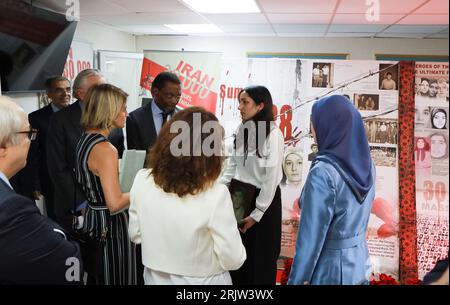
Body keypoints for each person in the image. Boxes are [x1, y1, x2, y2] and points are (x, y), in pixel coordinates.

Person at [128, 107, 246, 285]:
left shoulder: (142, 180)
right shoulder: (215, 193)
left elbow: (135, 235)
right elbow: (234, 258)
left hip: (154, 279)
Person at [288, 95, 375, 285]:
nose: (313, 132)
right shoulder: (367, 164)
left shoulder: (323, 173)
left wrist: (296, 281)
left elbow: (310, 241)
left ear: (330, 125)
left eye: (314, 123)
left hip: (330, 269)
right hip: (359, 262)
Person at [0, 96, 82, 285]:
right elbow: (68, 260)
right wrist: (58, 233)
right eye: (28, 134)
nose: (29, 141)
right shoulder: (11, 208)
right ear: (3, 146)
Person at [46, 69, 124, 232]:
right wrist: (84, 204)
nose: (105, 93)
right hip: (74, 207)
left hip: (111, 208)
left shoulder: (114, 120)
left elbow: (120, 160)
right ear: (81, 94)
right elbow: (58, 168)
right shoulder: (59, 120)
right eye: (99, 89)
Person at [220, 85, 284, 285]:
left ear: (260, 106)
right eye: (239, 102)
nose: (240, 107)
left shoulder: (273, 134)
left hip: (263, 202)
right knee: (238, 259)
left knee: (260, 263)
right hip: (240, 196)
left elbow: (271, 178)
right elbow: (232, 167)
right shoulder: (241, 129)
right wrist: (217, 191)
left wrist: (257, 213)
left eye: (245, 102)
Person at [75, 84, 136, 285]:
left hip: (94, 219)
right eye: (123, 108)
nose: (126, 113)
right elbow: (115, 203)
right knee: (118, 277)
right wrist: (142, 189)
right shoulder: (105, 148)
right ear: (109, 110)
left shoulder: (84, 139)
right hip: (111, 227)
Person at [24, 76, 71, 220]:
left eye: (68, 89)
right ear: (49, 94)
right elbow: (32, 153)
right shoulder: (36, 118)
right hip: (51, 181)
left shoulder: (81, 115)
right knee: (56, 219)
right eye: (59, 90)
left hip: (77, 180)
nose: (65, 94)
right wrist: (35, 183)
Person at [126, 71, 181, 152]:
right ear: (154, 91)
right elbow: (136, 159)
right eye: (169, 96)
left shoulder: (184, 118)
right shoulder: (135, 119)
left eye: (178, 97)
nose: (174, 101)